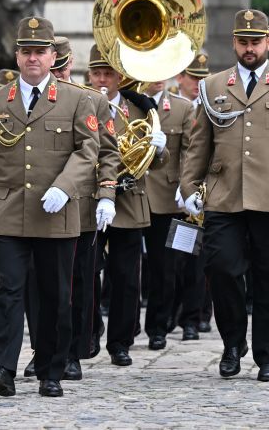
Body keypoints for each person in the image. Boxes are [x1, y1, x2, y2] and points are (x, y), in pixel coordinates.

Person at [0, 17, 99, 398]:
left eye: (40, 52)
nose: (33, 58)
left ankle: (51, 370)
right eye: (27, 52)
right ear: (18, 56)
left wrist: (65, 187)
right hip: (8, 212)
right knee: (9, 290)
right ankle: (2, 368)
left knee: (55, 294)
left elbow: (88, 151)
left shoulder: (76, 98)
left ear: (53, 55)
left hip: (56, 213)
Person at [180, 9, 269, 382]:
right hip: (225, 195)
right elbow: (199, 144)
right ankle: (232, 343)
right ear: (234, 43)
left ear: (268, 43)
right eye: (243, 42)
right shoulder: (212, 85)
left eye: (255, 42)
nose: (249, 48)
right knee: (222, 269)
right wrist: (188, 187)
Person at [87, 45, 168, 366]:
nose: (103, 81)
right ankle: (89, 332)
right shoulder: (81, 105)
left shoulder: (140, 111)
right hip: (91, 201)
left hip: (130, 201)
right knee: (87, 274)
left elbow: (158, 165)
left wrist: (159, 151)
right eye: (97, 74)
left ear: (120, 77)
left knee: (126, 279)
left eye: (109, 74)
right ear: (89, 76)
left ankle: (120, 342)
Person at [48, 36, 120, 381]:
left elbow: (108, 151)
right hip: (44, 205)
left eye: (62, 68)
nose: (59, 74)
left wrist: (107, 193)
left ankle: (74, 350)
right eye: (54, 68)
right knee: (41, 282)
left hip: (80, 205)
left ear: (70, 64)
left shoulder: (91, 100)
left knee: (80, 282)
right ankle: (44, 349)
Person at [142, 73, 194, 344]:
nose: (158, 77)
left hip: (167, 197)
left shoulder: (182, 107)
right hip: (132, 196)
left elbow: (189, 151)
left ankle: (158, 328)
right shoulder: (128, 105)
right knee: (126, 269)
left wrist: (185, 185)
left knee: (165, 266)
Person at [169, 53, 213, 335]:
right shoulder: (173, 106)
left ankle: (196, 318)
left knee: (202, 260)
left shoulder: (212, 105)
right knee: (178, 258)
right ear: (181, 78)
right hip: (176, 192)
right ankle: (177, 313)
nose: (197, 83)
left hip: (204, 193)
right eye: (192, 77)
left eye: (201, 77)